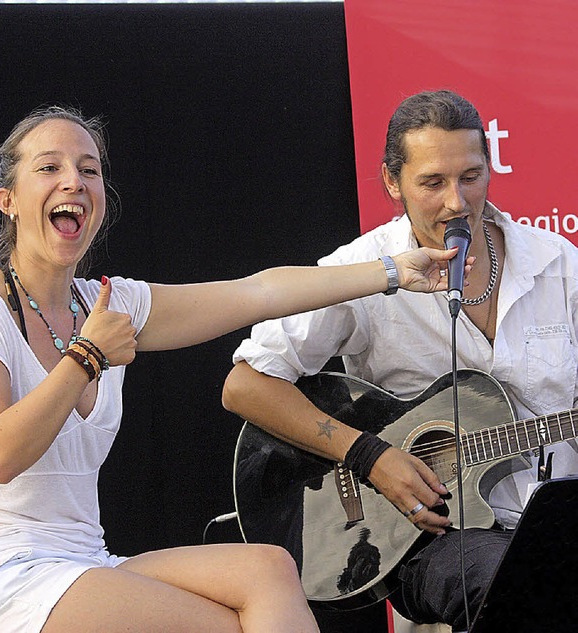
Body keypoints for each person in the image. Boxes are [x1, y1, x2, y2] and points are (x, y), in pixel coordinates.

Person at [0, 105, 465, 633]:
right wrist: (86, 357)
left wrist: (392, 272)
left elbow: (256, 293)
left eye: (89, 169)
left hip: (82, 561)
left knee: (269, 569)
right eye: (50, 168)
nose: (74, 181)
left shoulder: (110, 304)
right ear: (7, 200)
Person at [222, 89, 578, 631]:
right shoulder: (363, 269)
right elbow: (245, 385)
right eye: (433, 183)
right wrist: (368, 454)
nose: (457, 202)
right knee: (518, 581)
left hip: (554, 518)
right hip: (425, 535)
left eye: (471, 176)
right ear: (393, 183)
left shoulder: (558, 264)